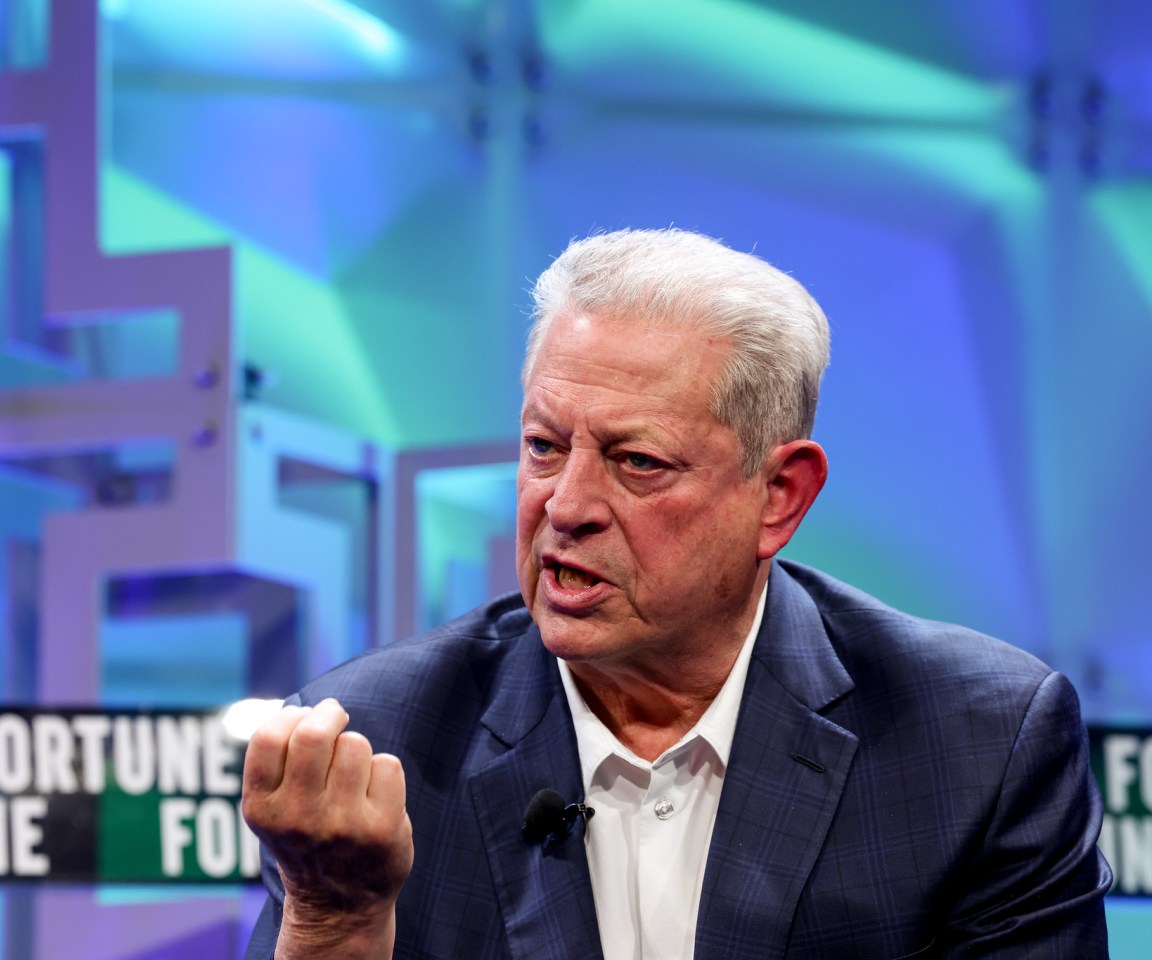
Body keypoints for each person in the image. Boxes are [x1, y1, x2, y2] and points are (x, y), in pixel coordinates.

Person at [240, 228, 1112, 959]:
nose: (566, 506)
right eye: (544, 447)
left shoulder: (974, 746)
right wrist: (337, 924)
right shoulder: (375, 741)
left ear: (780, 498)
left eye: (637, 462)